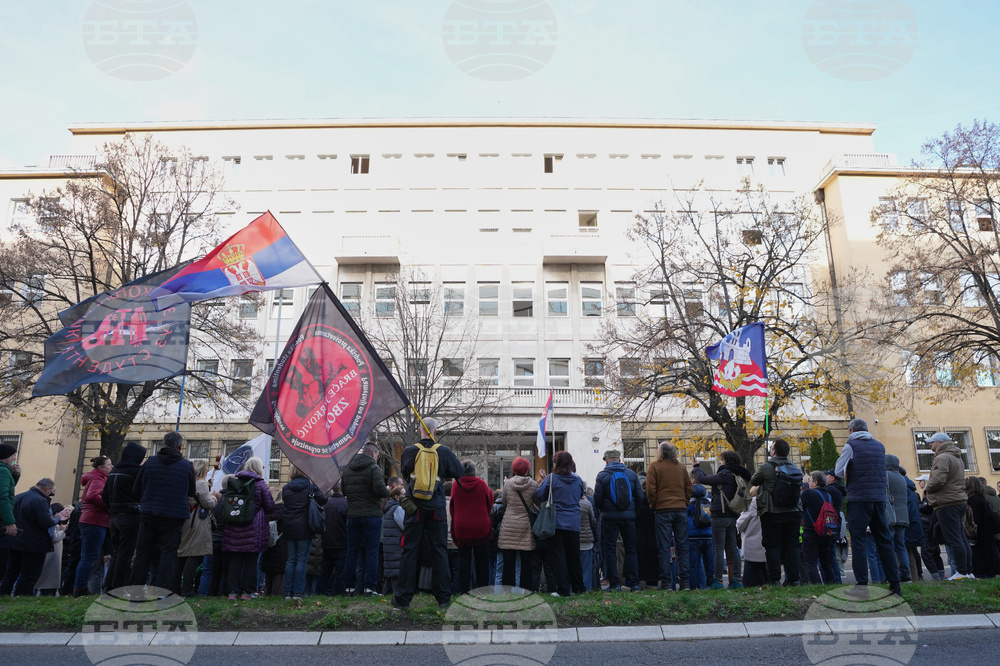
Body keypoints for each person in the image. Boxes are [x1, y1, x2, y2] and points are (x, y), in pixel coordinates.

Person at [393, 417, 465, 609]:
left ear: (419, 430)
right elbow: (460, 472)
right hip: (436, 508)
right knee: (439, 550)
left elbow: (406, 474)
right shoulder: (443, 451)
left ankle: (403, 598)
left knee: (410, 550)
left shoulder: (409, 451)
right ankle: (443, 597)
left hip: (415, 508)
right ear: (435, 431)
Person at [834, 418, 902, 595]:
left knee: (858, 542)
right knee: (884, 541)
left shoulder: (851, 445)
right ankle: (895, 585)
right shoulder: (879, 446)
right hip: (879, 499)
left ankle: (862, 586)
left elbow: (838, 471)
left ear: (851, 430)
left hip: (859, 498)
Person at [129, 431, 198, 594]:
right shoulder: (187, 466)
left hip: (149, 513)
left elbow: (137, 489)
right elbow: (191, 492)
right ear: (180, 446)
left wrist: (147, 501)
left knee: (142, 554)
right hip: (174, 516)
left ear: (163, 444)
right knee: (169, 555)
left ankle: (135, 593)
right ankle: (163, 593)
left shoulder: (150, 463)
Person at [691, 449, 752, 589]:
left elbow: (704, 479)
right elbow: (711, 479)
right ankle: (737, 580)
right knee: (733, 548)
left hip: (720, 515)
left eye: (722, 459)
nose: (720, 461)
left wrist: (696, 467)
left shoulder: (725, 474)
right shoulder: (737, 474)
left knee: (718, 548)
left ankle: (717, 581)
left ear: (727, 461)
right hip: (732, 515)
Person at [0, 478, 71, 596]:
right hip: (33, 543)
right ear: (46, 489)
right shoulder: (40, 500)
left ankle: (3, 596)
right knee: (29, 574)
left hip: (14, 540)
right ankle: (21, 597)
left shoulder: (18, 497)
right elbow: (45, 522)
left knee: (11, 572)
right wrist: (57, 518)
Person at [750, 437, 803, 587]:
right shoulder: (794, 466)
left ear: (773, 451)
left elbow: (754, 481)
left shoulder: (767, 467)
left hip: (772, 512)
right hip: (794, 511)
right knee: (792, 545)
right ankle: (794, 579)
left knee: (773, 546)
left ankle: (774, 580)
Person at [222, 457, 276, 600]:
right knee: (251, 560)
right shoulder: (260, 484)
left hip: (235, 525)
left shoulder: (234, 481)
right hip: (254, 527)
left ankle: (232, 592)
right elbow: (270, 507)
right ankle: (247, 592)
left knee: (236, 559)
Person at [533, 450, 586, 597]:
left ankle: (563, 590)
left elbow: (538, 495)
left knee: (558, 558)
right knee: (574, 557)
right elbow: (580, 495)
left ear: (557, 463)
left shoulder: (551, 479)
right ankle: (579, 588)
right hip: (574, 523)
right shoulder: (578, 480)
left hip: (555, 522)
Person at [923, 432, 974, 580]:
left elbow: (938, 479)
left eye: (932, 442)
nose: (930, 444)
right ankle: (968, 572)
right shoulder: (956, 457)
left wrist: (927, 488)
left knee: (954, 539)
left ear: (940, 442)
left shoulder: (942, 457)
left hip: (946, 502)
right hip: (957, 501)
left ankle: (961, 573)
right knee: (961, 538)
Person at [342, 443, 389, 597]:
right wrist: (388, 489)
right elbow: (380, 491)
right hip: (372, 516)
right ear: (372, 453)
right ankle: (370, 588)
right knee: (371, 552)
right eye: (377, 455)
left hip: (353, 515)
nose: (377, 458)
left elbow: (344, 490)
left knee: (352, 552)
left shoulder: (348, 468)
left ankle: (349, 587)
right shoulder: (373, 469)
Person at [593, 449, 643, 592]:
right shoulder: (632, 474)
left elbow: (597, 500)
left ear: (606, 460)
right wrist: (632, 511)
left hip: (610, 518)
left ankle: (614, 584)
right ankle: (633, 583)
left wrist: (605, 511)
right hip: (629, 518)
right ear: (619, 460)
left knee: (610, 550)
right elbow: (639, 497)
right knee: (631, 550)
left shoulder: (602, 476)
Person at [646, 441, 693, 591]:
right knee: (683, 547)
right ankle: (685, 582)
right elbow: (688, 488)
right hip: (680, 509)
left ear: (660, 452)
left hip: (663, 510)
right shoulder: (681, 467)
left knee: (664, 548)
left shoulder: (654, 466)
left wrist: (654, 505)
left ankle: (666, 583)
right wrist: (684, 503)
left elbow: (650, 489)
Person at [102, 441, 146, 591]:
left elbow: (105, 495)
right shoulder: (137, 472)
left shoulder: (113, 472)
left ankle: (109, 584)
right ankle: (118, 586)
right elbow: (141, 492)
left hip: (114, 516)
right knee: (126, 554)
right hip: (131, 515)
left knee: (117, 552)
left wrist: (112, 509)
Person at [281, 466, 327, 600]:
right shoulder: (310, 487)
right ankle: (298, 593)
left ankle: (288, 592)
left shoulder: (286, 488)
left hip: (289, 526)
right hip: (305, 527)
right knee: (301, 560)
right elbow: (324, 500)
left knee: (291, 560)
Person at [175, 459, 218, 596]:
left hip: (185, 519)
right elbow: (208, 503)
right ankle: (187, 588)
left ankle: (175, 586)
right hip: (197, 522)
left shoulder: (184, 481)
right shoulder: (201, 484)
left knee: (182, 554)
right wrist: (215, 497)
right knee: (194, 554)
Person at [450, 460, 494, 593]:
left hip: (462, 527)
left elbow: (452, 506)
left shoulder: (456, 485)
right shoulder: (481, 484)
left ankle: (464, 590)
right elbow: (490, 501)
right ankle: (484, 590)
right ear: (475, 471)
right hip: (481, 527)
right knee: (482, 560)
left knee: (464, 560)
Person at [73, 456, 113, 596]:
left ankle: (80, 586)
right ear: (101, 468)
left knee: (87, 556)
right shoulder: (98, 479)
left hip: (91, 520)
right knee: (89, 557)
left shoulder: (95, 477)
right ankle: (80, 588)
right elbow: (93, 496)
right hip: (95, 520)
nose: (112, 467)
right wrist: (109, 507)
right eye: (109, 464)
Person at [498, 456, 538, 591]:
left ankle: (507, 590)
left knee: (508, 562)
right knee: (526, 562)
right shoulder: (533, 485)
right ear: (527, 469)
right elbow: (537, 503)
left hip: (509, 525)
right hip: (526, 525)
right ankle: (525, 590)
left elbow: (504, 502)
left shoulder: (508, 484)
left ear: (514, 469)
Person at [800, 471, 836, 584]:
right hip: (826, 531)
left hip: (811, 531)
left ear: (815, 482)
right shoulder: (828, 495)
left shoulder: (809, 494)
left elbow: (799, 504)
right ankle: (831, 583)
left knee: (811, 562)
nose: (808, 482)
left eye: (810, 480)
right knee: (826, 561)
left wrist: (804, 485)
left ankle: (817, 585)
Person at [965, 477, 1000, 578]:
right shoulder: (982, 498)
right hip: (987, 532)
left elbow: (975, 519)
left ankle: (983, 575)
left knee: (981, 559)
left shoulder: (974, 500)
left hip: (981, 535)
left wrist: (971, 533)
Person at [885, 455, 912, 582]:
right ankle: (906, 574)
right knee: (901, 546)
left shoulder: (885, 476)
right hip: (903, 516)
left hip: (890, 516)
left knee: (889, 546)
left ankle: (892, 574)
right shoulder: (902, 477)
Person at [318, 483, 348, 596]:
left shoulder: (325, 503)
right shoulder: (345, 504)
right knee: (340, 573)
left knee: (324, 572)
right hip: (341, 542)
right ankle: (339, 594)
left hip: (326, 542)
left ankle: (320, 594)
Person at [736, 493, 767, 587]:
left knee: (750, 579)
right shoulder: (770, 503)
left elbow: (739, 524)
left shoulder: (751, 505)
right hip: (766, 546)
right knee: (765, 576)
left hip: (752, 546)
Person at [36, 503, 67, 595]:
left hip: (51, 553)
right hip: (52, 553)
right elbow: (54, 537)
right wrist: (63, 531)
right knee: (48, 580)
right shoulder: (53, 523)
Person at [686, 484, 713, 589]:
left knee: (693, 564)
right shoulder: (709, 498)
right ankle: (711, 585)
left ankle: (692, 587)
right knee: (710, 564)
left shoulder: (689, 500)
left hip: (693, 536)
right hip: (708, 535)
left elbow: (686, 515)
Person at [0, 442, 21, 580]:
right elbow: (3, 497)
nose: (14, 458)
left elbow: (7, 489)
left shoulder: (5, 471)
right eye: (13, 454)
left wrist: (16, 475)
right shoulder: (2, 470)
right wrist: (10, 522)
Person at [381, 485, 406, 596]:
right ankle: (397, 594)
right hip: (396, 544)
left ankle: (386, 593)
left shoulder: (388, 508)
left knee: (391, 570)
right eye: (404, 495)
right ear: (397, 497)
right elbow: (405, 526)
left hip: (390, 544)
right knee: (396, 569)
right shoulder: (398, 509)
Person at [579, 491, 598, 591]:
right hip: (586, 539)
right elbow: (593, 521)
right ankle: (586, 589)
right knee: (586, 568)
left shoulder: (568, 503)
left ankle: (572, 589)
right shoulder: (587, 504)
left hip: (573, 539)